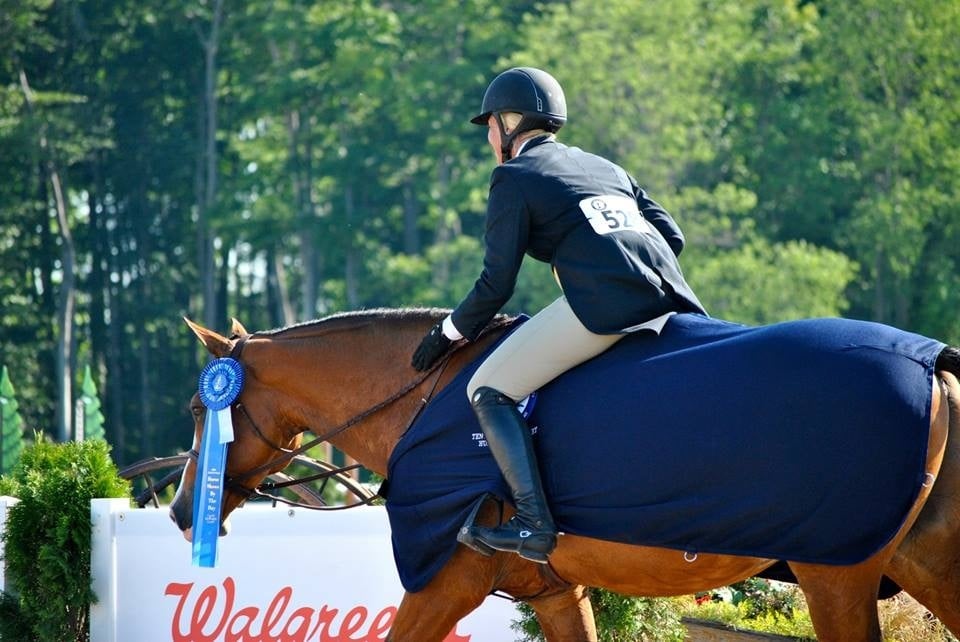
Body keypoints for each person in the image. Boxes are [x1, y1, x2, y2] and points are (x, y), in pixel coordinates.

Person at [411, 67, 706, 564]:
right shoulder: (604, 166)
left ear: (509, 123)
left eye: (489, 125)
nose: (488, 137)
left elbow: (495, 285)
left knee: (488, 388)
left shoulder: (513, 177)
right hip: (675, 297)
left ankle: (533, 524)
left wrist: (447, 332)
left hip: (610, 308)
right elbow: (671, 236)